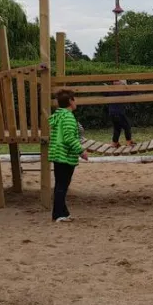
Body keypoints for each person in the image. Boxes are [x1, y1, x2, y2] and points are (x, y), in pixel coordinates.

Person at [48, 89, 88, 222]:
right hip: (65, 155)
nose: (75, 102)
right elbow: (69, 138)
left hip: (57, 154)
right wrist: (81, 151)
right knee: (62, 186)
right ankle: (59, 214)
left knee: (60, 184)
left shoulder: (58, 116)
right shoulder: (69, 117)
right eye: (74, 99)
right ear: (70, 101)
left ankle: (62, 212)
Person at [107, 79, 135, 148]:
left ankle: (114, 142)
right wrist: (135, 85)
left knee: (117, 128)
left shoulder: (111, 90)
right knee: (127, 126)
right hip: (119, 113)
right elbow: (130, 91)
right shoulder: (120, 90)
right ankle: (129, 142)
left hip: (112, 113)